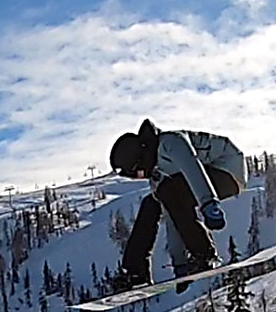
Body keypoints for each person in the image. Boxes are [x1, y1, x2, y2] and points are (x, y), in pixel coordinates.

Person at [106, 120, 248, 292]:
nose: (140, 177)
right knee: (152, 202)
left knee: (168, 191)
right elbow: (173, 217)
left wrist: (209, 204)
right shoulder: (158, 177)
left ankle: (204, 253)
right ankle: (136, 271)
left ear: (140, 158)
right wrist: (179, 265)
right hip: (193, 182)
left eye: (138, 173)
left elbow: (192, 168)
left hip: (228, 169)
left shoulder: (170, 142)